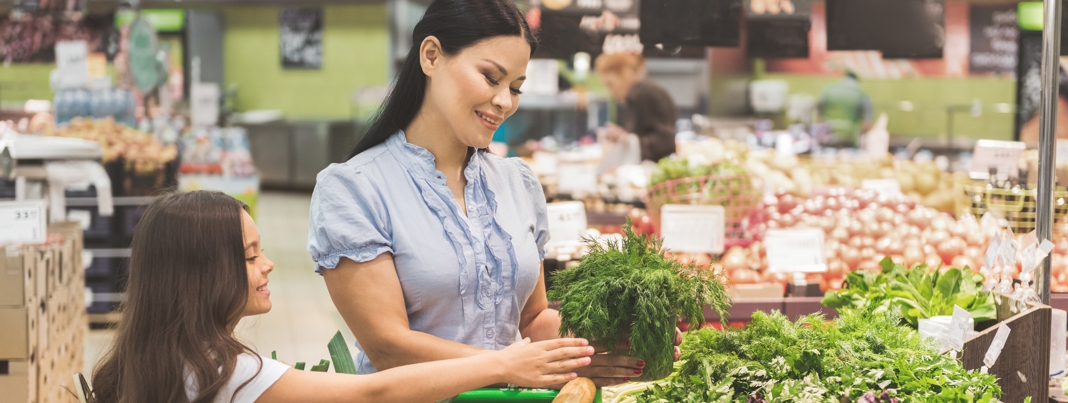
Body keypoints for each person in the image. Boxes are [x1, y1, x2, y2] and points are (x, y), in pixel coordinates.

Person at [308, 0, 679, 388]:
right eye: (490, 77)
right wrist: (509, 366)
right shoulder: (354, 188)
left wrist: (609, 339)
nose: (505, 101)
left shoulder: (517, 182)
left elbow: (532, 321)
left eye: (516, 87)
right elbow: (388, 346)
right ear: (431, 56)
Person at [90, 191, 595, 403]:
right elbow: (371, 392)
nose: (267, 265)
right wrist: (503, 365)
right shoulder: (221, 369)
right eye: (248, 256)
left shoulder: (152, 356)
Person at [595, 52, 678, 163]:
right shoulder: (634, 98)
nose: (611, 92)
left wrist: (626, 139)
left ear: (625, 73)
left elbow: (666, 142)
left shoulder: (647, 94)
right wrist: (623, 137)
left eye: (610, 84)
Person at [817, 71, 874, 148]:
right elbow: (867, 124)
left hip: (828, 136)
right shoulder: (863, 95)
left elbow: (818, 109)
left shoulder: (828, 89)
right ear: (857, 80)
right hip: (850, 139)